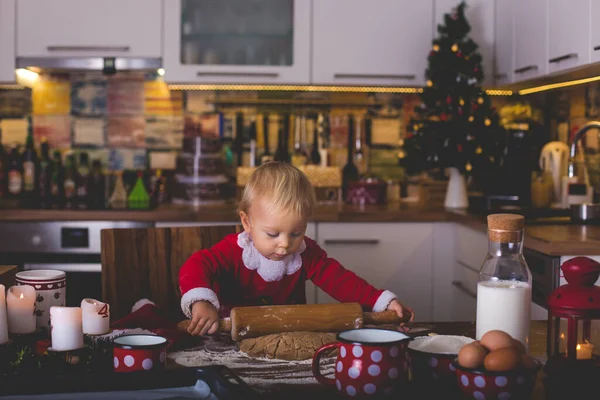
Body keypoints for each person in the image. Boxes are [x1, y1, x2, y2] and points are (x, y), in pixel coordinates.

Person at [179, 161, 414, 336]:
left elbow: (342, 281)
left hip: (288, 336)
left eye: (296, 233)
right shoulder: (234, 250)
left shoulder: (305, 253)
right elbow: (196, 265)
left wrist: (383, 303)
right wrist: (202, 302)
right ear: (247, 222)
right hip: (229, 337)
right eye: (272, 234)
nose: (285, 244)